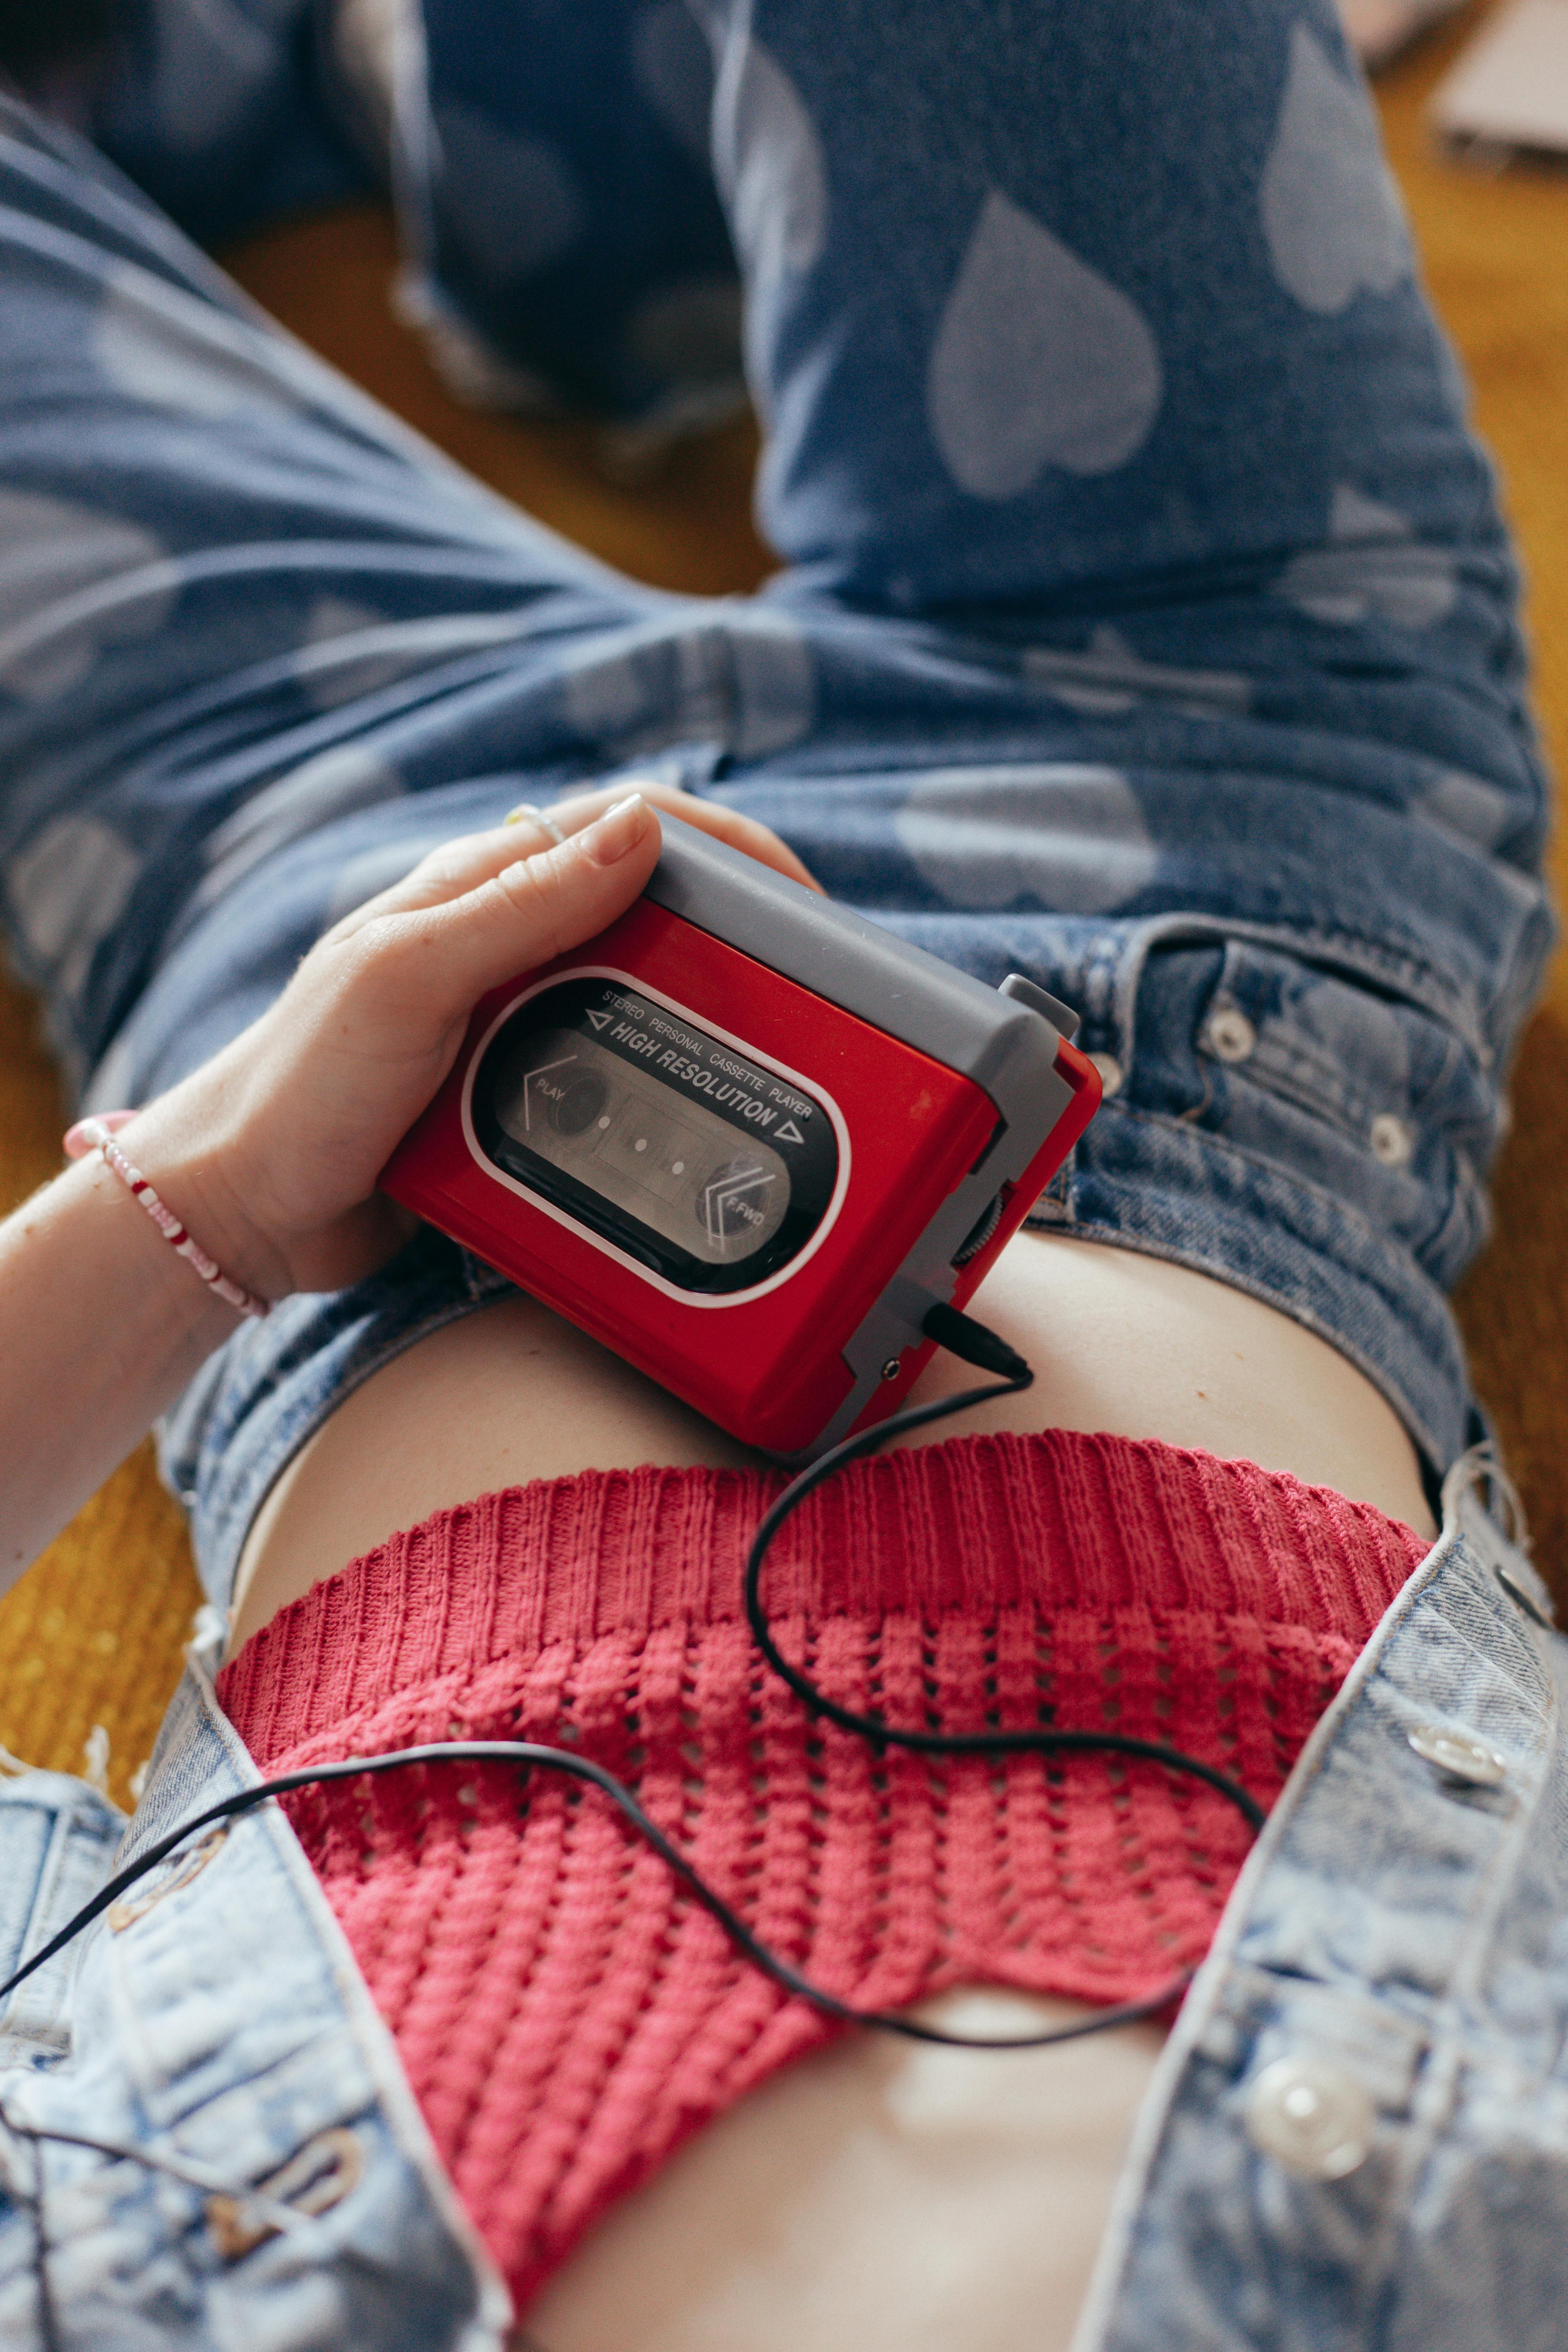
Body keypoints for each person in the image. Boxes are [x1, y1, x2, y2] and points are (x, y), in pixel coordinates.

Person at [0, 3, 1559, 2347]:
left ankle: (450, 118)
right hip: (1208, 825)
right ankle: (514, 139)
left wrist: (215, 1186)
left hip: (351, 1007)